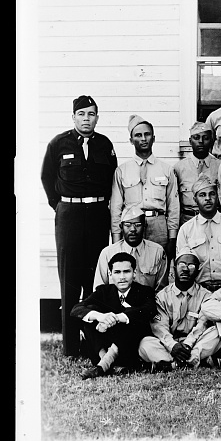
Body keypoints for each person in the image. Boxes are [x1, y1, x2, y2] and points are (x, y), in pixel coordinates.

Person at [41, 94, 118, 357]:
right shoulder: (58, 143)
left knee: (94, 278)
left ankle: (94, 342)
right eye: (82, 114)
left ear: (97, 118)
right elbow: (47, 177)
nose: (86, 119)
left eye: (91, 114)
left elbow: (111, 179)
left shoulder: (104, 144)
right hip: (69, 216)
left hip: (97, 215)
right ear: (73, 117)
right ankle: (71, 347)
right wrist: (62, 206)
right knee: (70, 280)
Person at [74, 252, 158, 379]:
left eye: (126, 272)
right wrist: (100, 317)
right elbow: (77, 309)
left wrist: (117, 318)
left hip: (129, 348)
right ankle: (105, 361)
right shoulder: (103, 291)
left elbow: (150, 309)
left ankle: (103, 366)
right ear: (110, 274)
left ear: (134, 273)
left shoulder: (144, 291)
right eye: (117, 272)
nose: (122, 277)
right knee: (88, 317)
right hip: (104, 344)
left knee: (134, 319)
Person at [110, 114, 179, 254]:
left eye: (147, 134)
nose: (143, 139)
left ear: (153, 138)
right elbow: (116, 209)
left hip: (158, 226)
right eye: (138, 135)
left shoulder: (166, 170)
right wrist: (116, 241)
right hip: (132, 226)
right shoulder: (122, 171)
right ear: (131, 140)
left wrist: (172, 238)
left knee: (158, 263)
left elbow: (173, 206)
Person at [137, 252, 211, 370]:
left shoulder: (206, 296)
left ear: (198, 270)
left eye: (191, 266)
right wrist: (173, 346)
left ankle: (174, 364)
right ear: (174, 268)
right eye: (182, 265)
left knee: (215, 333)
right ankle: (190, 362)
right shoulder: (162, 297)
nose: (185, 269)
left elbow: (202, 324)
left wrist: (188, 344)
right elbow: (160, 327)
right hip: (170, 345)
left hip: (194, 344)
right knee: (145, 343)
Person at [174, 175, 221, 291]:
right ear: (195, 199)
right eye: (202, 195)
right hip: (199, 291)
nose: (208, 198)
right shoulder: (186, 229)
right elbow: (182, 267)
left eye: (212, 194)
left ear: (217, 196)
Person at [94, 203, 168, 291]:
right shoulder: (107, 253)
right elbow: (99, 290)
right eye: (128, 225)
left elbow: (162, 291)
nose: (133, 229)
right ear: (121, 227)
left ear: (145, 226)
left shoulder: (157, 252)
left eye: (138, 225)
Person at [173, 120, 221, 225]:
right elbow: (174, 202)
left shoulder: (220, 166)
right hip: (187, 220)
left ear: (211, 141)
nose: (201, 141)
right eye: (196, 138)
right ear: (190, 141)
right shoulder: (179, 168)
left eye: (205, 138)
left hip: (213, 220)